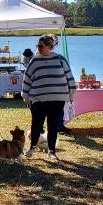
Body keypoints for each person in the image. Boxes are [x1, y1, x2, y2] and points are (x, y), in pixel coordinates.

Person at [22, 35, 76, 163]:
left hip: (57, 99)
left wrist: (71, 93)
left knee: (53, 126)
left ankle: (51, 151)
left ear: (49, 47)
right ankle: (32, 147)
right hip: (38, 99)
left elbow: (69, 76)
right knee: (36, 124)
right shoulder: (34, 61)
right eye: (37, 46)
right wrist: (25, 96)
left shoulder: (60, 59)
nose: (38, 48)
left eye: (41, 46)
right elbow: (27, 79)